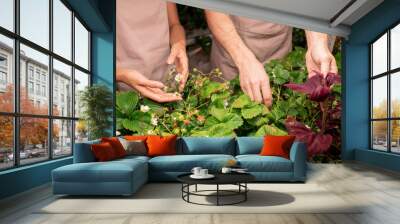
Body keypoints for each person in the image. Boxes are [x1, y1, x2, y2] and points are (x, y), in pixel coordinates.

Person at [205, 11, 338, 106]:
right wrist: (244, 61)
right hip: (232, 47)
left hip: (279, 40)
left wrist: (317, 43)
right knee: (227, 104)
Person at [116, 0, 188, 103]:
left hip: (167, 71)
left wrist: (179, 44)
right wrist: (121, 75)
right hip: (128, 87)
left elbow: (174, 24)